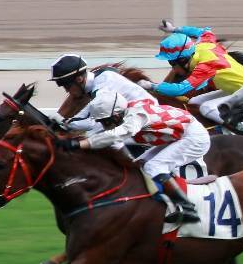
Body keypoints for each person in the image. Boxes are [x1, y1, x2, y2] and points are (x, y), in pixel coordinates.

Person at [55, 91, 210, 224]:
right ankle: (162, 203)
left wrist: (79, 145)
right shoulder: (125, 111)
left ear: (116, 115)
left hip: (193, 136)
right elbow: (110, 137)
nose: (104, 125)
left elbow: (117, 134)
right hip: (181, 134)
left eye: (105, 121)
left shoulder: (136, 116)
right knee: (141, 165)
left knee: (154, 167)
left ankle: (188, 208)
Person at [142, 25, 243, 126]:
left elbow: (179, 90)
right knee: (194, 102)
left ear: (182, 60)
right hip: (234, 88)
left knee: (207, 107)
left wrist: (151, 86)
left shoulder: (205, 66)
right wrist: (174, 29)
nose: (173, 68)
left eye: (172, 63)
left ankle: (241, 130)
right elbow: (204, 31)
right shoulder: (204, 44)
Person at [49, 53, 157, 132]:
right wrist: (66, 121)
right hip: (138, 115)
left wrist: (65, 123)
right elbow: (88, 111)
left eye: (67, 86)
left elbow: (92, 121)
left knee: (95, 137)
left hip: (147, 120)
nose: (67, 90)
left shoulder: (101, 88)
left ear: (79, 79)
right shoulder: (98, 76)